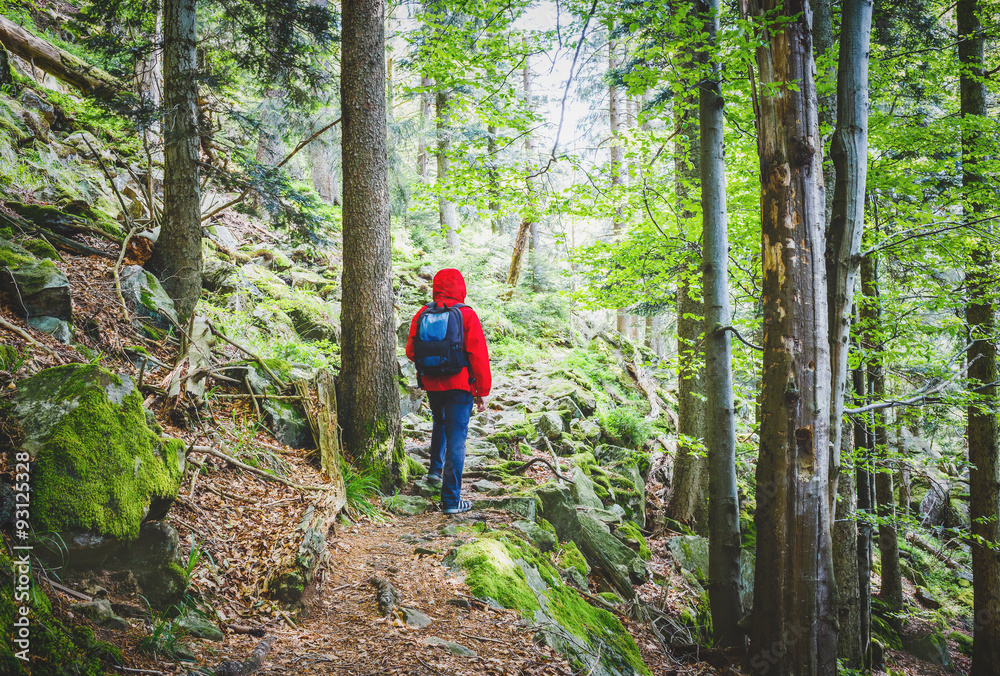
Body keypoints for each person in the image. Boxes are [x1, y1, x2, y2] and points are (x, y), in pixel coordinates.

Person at [405, 268, 491, 515]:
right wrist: (482, 390)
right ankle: (451, 500)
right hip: (460, 385)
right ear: (460, 287)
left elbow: (412, 351)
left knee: (439, 424)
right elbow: (478, 355)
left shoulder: (423, 313)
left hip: (432, 384)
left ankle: (434, 470)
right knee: (457, 438)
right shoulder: (466, 314)